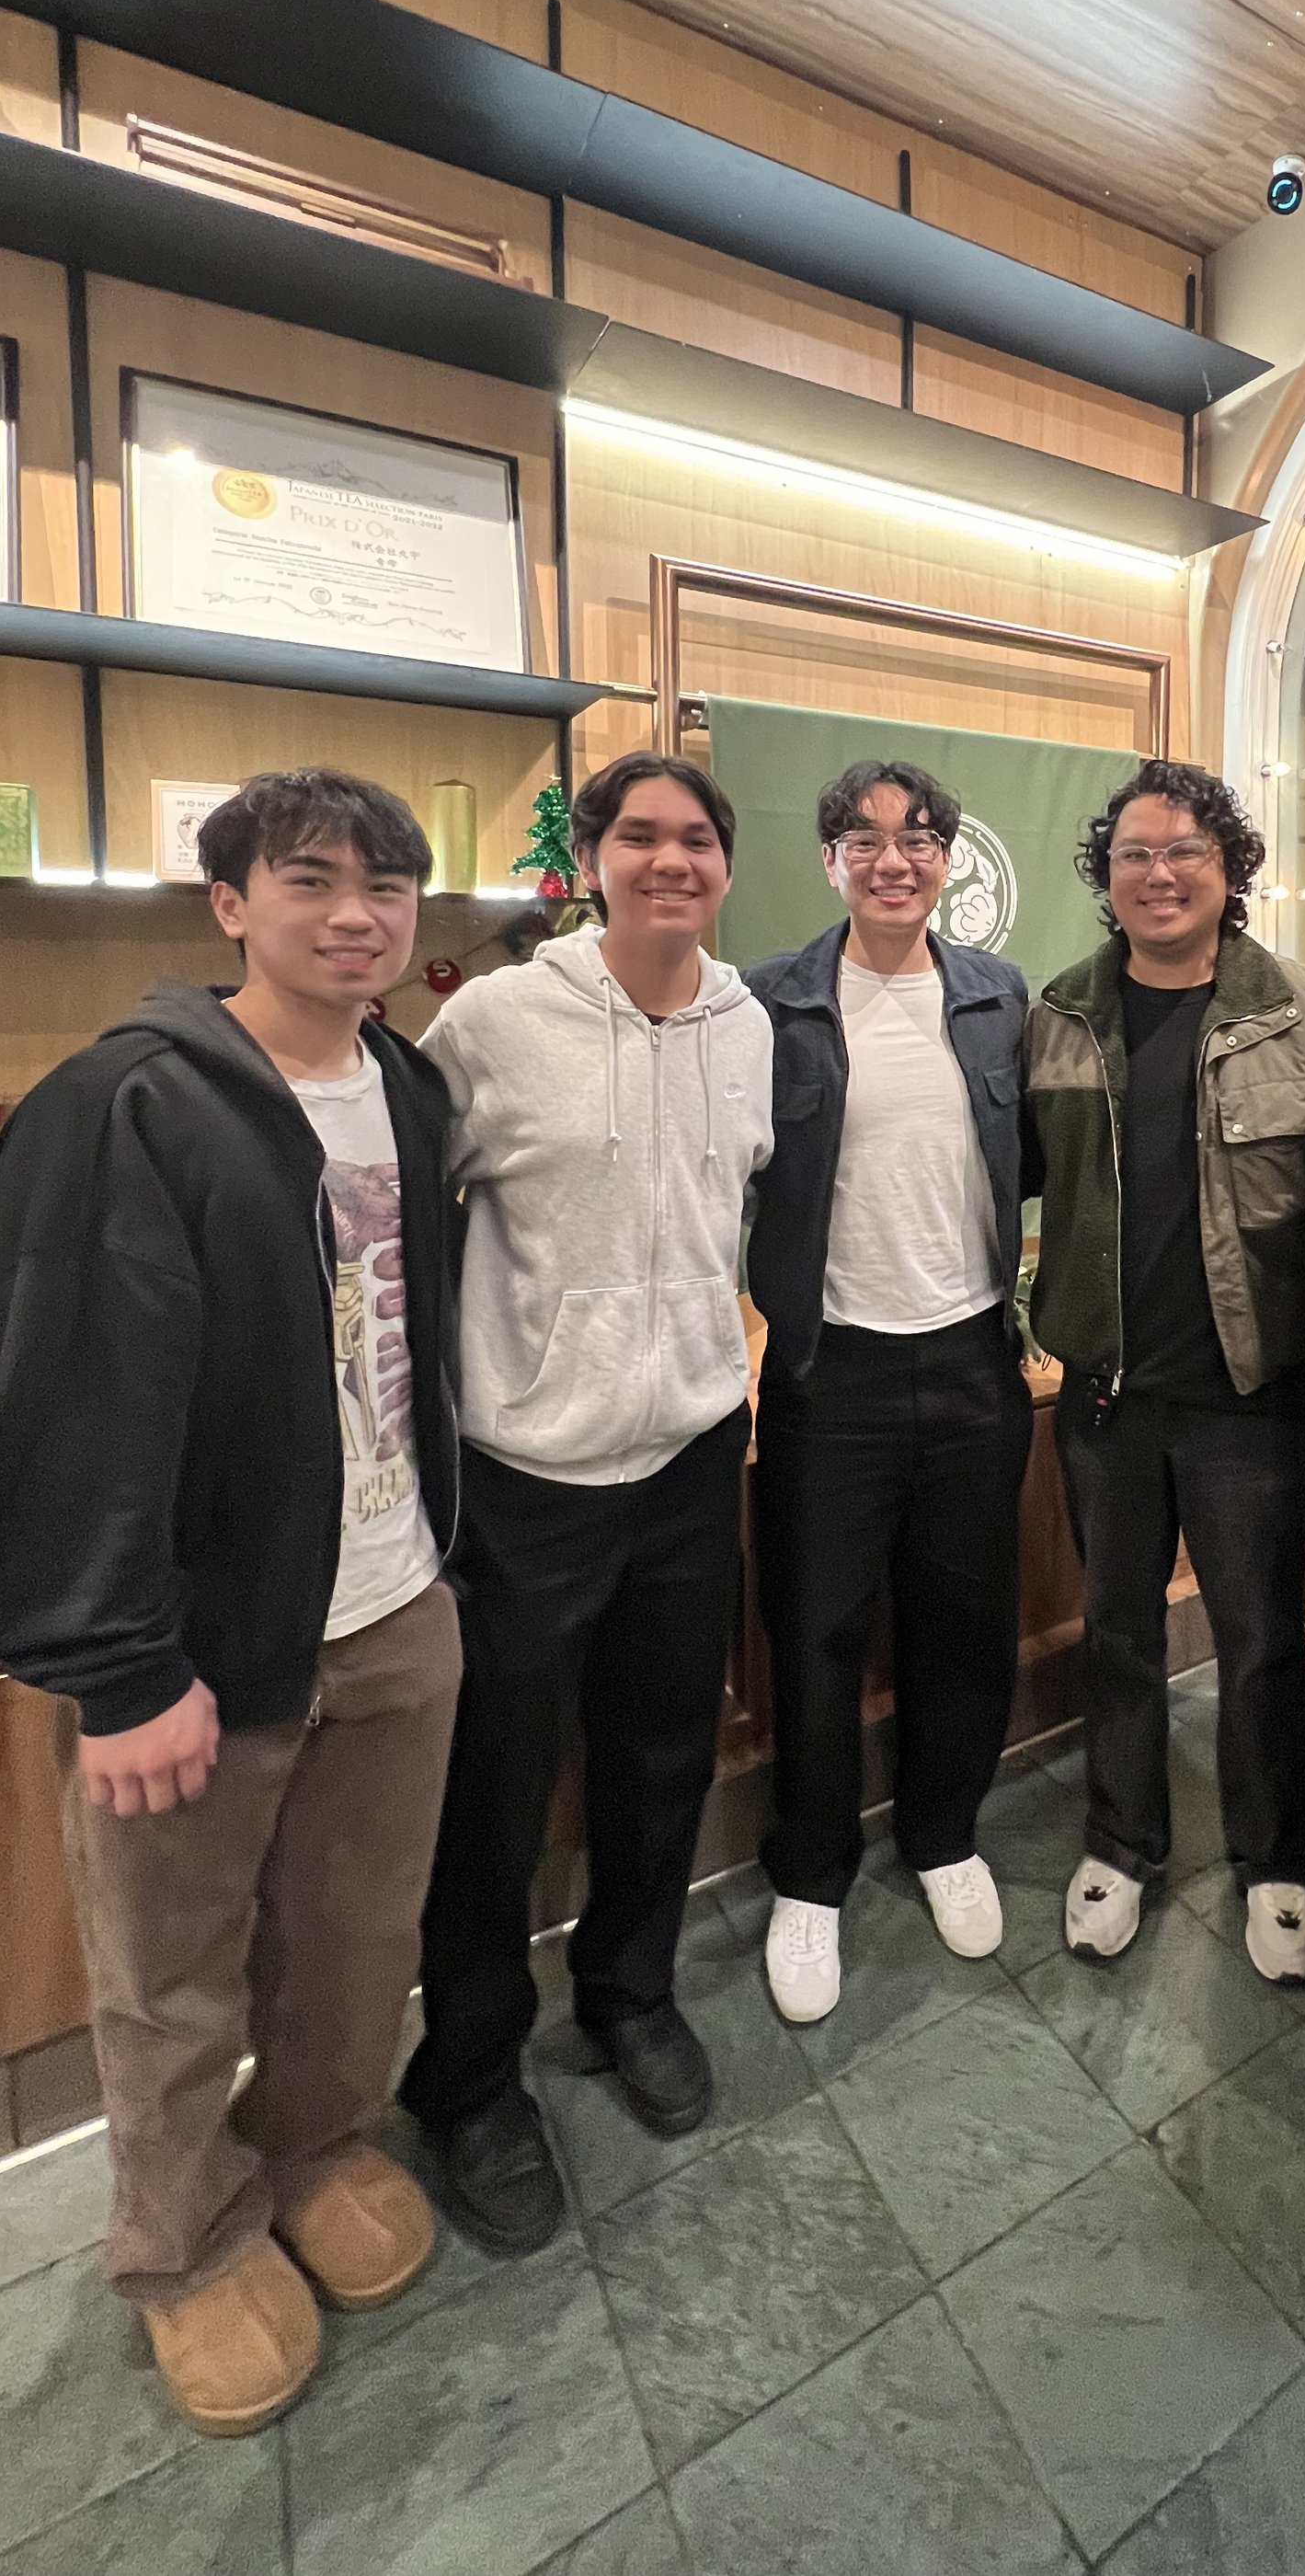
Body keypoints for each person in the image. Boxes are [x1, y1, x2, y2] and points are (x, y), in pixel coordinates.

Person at [0, 770, 463, 2439]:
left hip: (396, 1597)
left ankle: (313, 2143)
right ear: (228, 903)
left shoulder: (407, 1084)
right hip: (204, 1637)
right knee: (171, 1971)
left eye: (389, 884)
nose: (356, 912)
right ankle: (177, 2245)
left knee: (353, 1934)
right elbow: (68, 1393)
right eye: (311, 877)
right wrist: (118, 1664)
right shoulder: (131, 1102)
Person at [397, 753, 772, 2253]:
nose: (670, 860)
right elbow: (411, 1226)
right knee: (491, 1795)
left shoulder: (751, 1025)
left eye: (695, 837)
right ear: (594, 859)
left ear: (725, 866)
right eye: (640, 836)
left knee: (660, 1756)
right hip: (527, 1476)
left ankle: (631, 1992)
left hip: (690, 1460)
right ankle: (471, 2075)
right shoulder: (495, 1020)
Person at [1025, 757, 1305, 1979]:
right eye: (1133, 854)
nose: (1158, 873)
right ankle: (1121, 1839)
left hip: (1251, 1397)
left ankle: (1278, 1856)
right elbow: (1011, 1176)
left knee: (1264, 1634)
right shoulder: (1057, 1016)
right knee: (1116, 1629)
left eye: (1186, 852)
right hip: (1108, 1395)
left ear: (1232, 873)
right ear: (1106, 877)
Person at [743, 761, 1031, 2024]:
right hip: (831, 1367)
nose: (893, 858)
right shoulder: (773, 1003)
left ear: (950, 859)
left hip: (974, 1357)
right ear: (829, 861)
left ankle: (944, 1834)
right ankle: (810, 1875)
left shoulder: (997, 996)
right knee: (813, 1631)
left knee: (965, 1616)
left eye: (918, 838)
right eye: (863, 838)